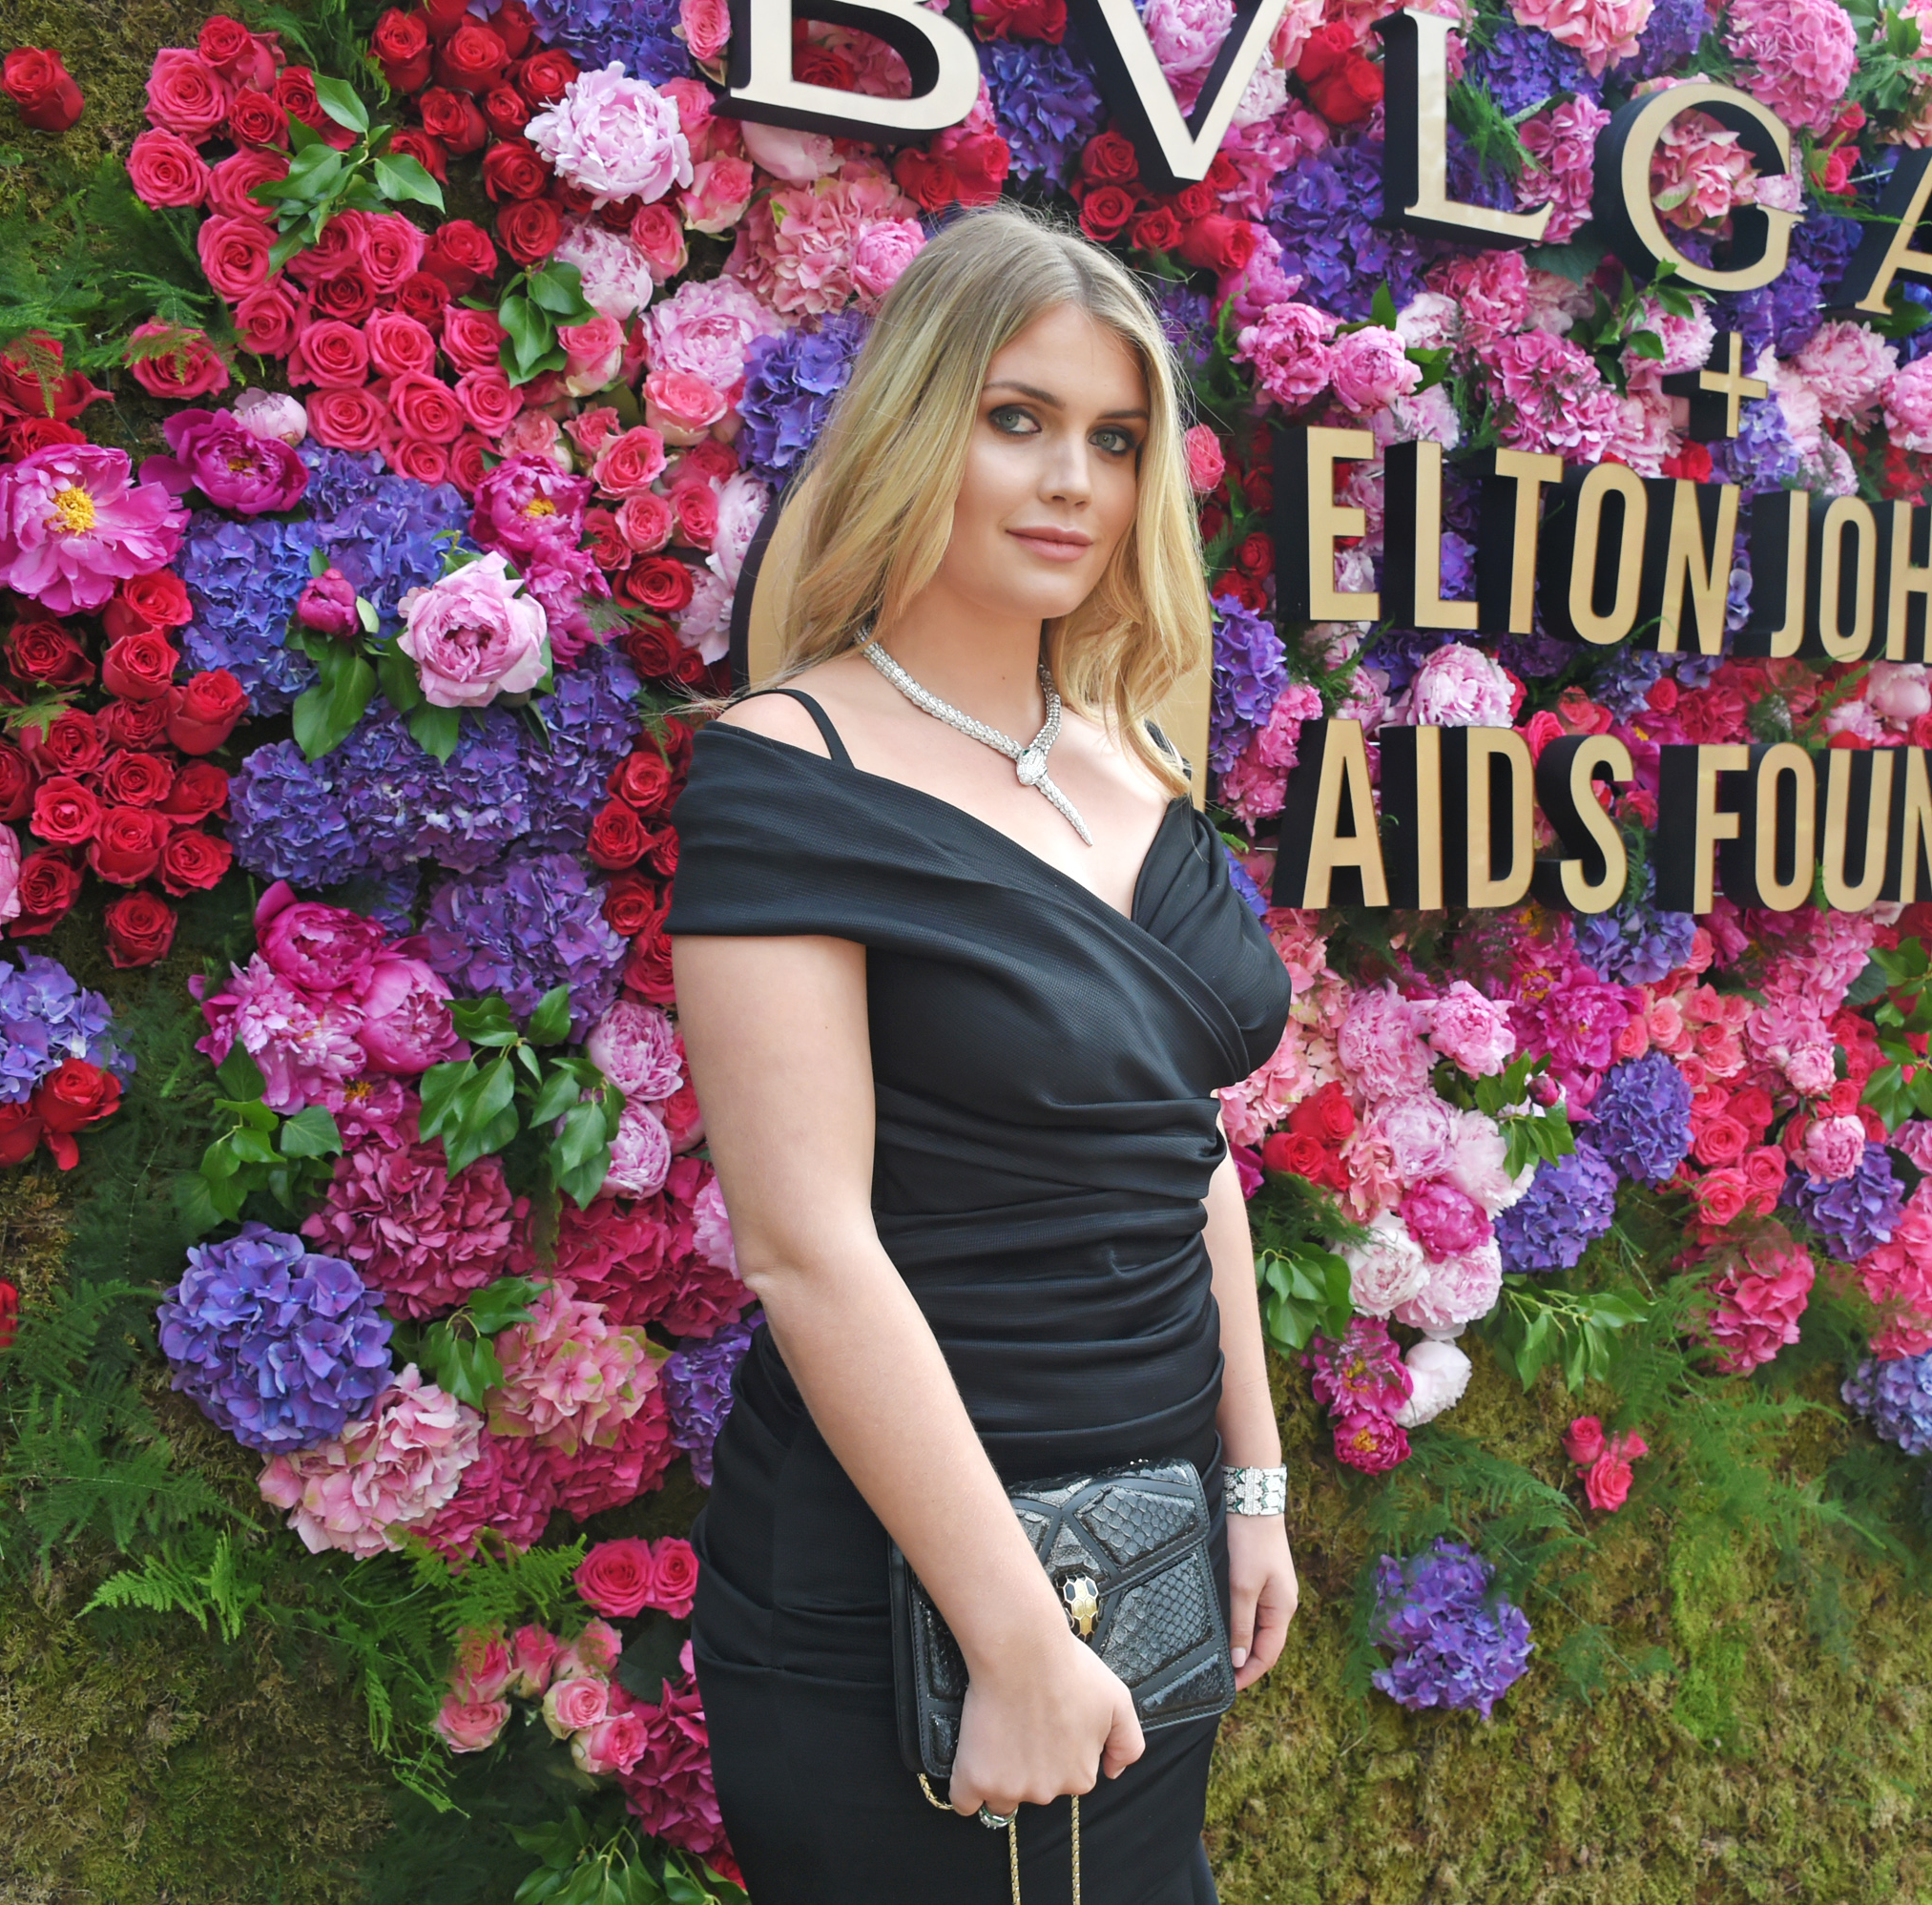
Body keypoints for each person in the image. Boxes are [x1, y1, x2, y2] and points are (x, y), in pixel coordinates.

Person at [664, 203, 1299, 1902]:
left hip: (1148, 1544)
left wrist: (1250, 1478)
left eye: (1112, 438)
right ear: (920, 426)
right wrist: (1012, 1635)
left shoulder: (1134, 756)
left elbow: (1192, 1149)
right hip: (903, 1582)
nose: (1071, 481)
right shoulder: (785, 770)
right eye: (1017, 420)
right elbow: (808, 1248)